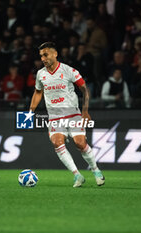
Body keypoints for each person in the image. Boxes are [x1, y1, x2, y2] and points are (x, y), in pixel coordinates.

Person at [29, 42, 104, 188]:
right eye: (41, 56)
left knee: (80, 143)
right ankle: (77, 175)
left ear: (55, 54)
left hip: (72, 114)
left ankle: (96, 170)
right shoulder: (41, 74)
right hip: (54, 117)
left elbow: (84, 89)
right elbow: (38, 92)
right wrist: (31, 111)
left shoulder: (68, 70)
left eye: (46, 55)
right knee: (57, 142)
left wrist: (85, 110)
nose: (43, 59)